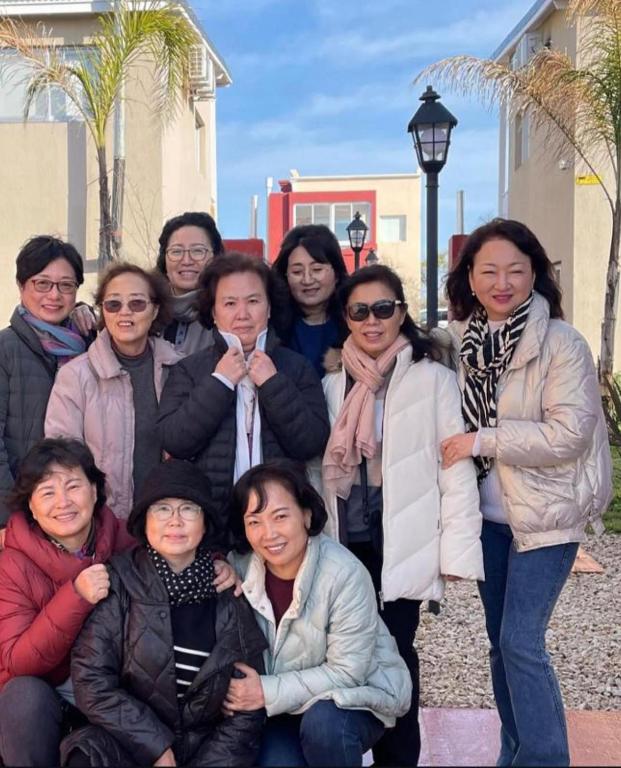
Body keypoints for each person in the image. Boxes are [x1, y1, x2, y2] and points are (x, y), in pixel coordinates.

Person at [441, 218, 612, 767]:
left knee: (521, 641)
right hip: (488, 519)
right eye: (489, 271)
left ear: (534, 273)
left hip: (547, 517)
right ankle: (513, 752)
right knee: (500, 646)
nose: (502, 283)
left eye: (515, 270)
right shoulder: (462, 343)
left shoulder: (561, 342)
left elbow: (569, 434)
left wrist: (481, 440)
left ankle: (544, 759)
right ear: (469, 277)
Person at [321, 264, 484, 767]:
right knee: (346, 651)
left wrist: (457, 552)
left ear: (401, 312)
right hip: (346, 537)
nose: (372, 321)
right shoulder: (332, 382)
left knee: (395, 651)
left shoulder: (434, 379)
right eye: (360, 311)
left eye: (383, 309)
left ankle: (397, 759)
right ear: (346, 317)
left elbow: (454, 467)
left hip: (404, 538)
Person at [62, 458, 267, 768]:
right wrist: (156, 746)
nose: (175, 521)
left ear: (205, 523)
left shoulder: (228, 591)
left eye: (188, 509)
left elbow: (246, 708)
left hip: (205, 750)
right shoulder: (120, 581)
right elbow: (91, 679)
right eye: (162, 509)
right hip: (129, 742)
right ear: (144, 522)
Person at [223, 460, 411, 768]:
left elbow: (348, 672)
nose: (269, 533)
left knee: (325, 728)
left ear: (306, 514)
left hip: (353, 697)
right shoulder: (239, 568)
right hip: (283, 704)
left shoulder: (344, 574)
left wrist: (264, 691)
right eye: (254, 522)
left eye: (280, 516)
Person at [158, 253, 330, 541]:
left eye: (253, 301)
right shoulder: (189, 369)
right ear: (213, 312)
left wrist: (273, 384)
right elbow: (174, 440)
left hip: (279, 528)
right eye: (229, 303)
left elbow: (311, 442)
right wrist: (220, 382)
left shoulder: (295, 367)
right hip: (212, 526)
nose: (242, 314)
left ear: (269, 308)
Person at [0, 438, 134, 767]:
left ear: (94, 490)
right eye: (47, 492)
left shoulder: (123, 537)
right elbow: (18, 661)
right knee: (22, 695)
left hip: (110, 688)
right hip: (46, 691)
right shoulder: (12, 563)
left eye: (73, 486)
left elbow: (175, 548)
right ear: (31, 507)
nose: (63, 502)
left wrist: (219, 565)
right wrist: (76, 596)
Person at [45, 263, 182, 519]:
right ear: (103, 311)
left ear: (155, 310)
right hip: (102, 521)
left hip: (166, 520)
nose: (124, 312)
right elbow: (62, 459)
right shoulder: (75, 376)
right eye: (113, 304)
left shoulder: (178, 368)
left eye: (137, 303)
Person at [0, 236, 91, 535]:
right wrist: (9, 518)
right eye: (42, 284)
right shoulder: (5, 349)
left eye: (66, 285)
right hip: (21, 512)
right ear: (21, 285)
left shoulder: (90, 345)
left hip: (77, 510)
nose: (54, 295)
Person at [272, 224, 348, 378]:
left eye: (317, 269)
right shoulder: (272, 327)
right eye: (297, 272)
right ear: (285, 276)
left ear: (337, 273)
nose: (307, 280)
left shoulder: (356, 321)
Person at [156, 211, 226, 354]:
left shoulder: (228, 312)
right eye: (176, 251)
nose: (187, 261)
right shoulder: (146, 310)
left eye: (198, 251)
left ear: (216, 257)